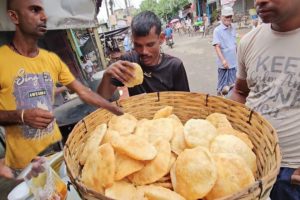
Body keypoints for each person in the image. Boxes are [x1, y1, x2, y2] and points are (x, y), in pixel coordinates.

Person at [0, 0, 122, 171]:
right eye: (35, 10)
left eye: (43, 10)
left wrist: (113, 108)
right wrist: (21, 116)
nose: (43, 16)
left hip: (55, 151)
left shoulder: (51, 60)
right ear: (14, 16)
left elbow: (83, 92)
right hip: (25, 161)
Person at [230, 0, 300, 199]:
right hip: (250, 162)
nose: (259, 1)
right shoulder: (248, 41)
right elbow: (240, 92)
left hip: (292, 173)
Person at [97, 11, 190, 99]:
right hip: (139, 114)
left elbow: (184, 101)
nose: (144, 51)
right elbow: (103, 97)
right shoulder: (128, 62)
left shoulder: (174, 66)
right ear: (132, 40)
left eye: (150, 45)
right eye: (138, 45)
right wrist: (107, 76)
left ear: (161, 38)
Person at [212, 6, 237, 96]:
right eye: (226, 16)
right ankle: (219, 101)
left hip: (234, 63)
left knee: (233, 85)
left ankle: (230, 103)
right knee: (222, 86)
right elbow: (217, 46)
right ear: (222, 17)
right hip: (224, 64)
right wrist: (223, 60)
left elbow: (235, 44)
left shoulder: (233, 27)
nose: (228, 18)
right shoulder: (217, 30)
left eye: (230, 16)